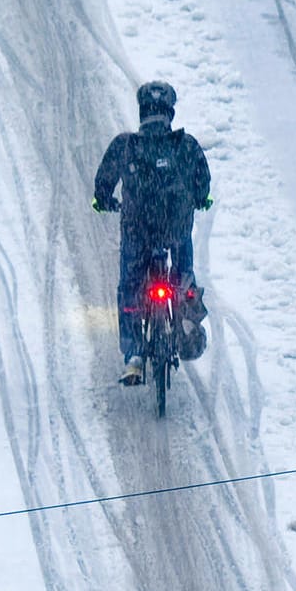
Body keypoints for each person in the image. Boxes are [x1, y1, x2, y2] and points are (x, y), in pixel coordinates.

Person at [93, 81, 212, 385]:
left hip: (138, 230)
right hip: (175, 230)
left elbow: (104, 180)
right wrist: (200, 198)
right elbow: (202, 179)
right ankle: (186, 309)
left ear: (142, 110)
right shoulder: (186, 145)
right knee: (185, 274)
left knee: (130, 287)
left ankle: (133, 355)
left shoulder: (126, 145)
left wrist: (104, 200)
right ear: (170, 112)